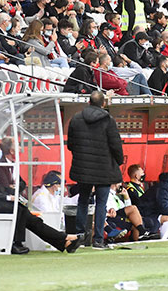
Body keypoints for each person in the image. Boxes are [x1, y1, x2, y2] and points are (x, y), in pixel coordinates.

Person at [0, 137, 77, 254]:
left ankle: (61, 240)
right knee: (18, 209)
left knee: (25, 211)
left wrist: (12, 194)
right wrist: (8, 197)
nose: (0, 151)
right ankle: (16, 243)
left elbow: (4, 187)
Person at [67, 91, 124, 249]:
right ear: (103, 103)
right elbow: (115, 145)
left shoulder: (76, 118)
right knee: (101, 204)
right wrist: (119, 161)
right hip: (104, 168)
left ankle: (79, 237)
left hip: (83, 167)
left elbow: (70, 144)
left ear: (89, 101)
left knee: (83, 201)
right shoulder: (108, 120)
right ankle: (98, 240)